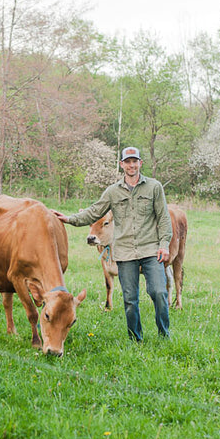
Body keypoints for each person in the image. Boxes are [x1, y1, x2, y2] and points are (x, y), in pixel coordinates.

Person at [53, 146, 173, 341]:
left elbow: (164, 218)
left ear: (140, 163)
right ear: (122, 165)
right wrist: (69, 219)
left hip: (150, 249)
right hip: (124, 252)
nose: (131, 165)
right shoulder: (112, 192)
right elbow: (94, 212)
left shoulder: (154, 187)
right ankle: (135, 338)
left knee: (159, 292)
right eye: (128, 162)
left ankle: (164, 335)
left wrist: (164, 244)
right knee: (130, 299)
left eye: (135, 161)